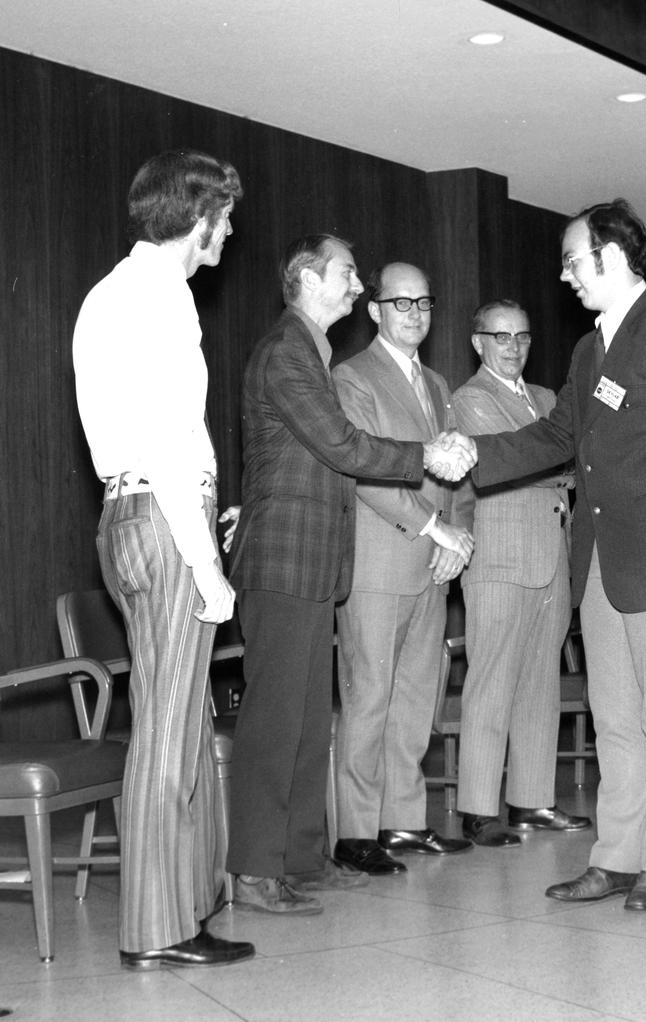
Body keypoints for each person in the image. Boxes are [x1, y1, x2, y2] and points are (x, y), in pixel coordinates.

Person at [462, 199, 646, 910]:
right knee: (614, 711)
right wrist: (473, 452)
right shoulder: (591, 350)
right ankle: (619, 855)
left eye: (573, 260)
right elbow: (558, 437)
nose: (564, 276)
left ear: (612, 259)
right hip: (600, 561)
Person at [225, 236, 473, 914]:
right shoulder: (287, 351)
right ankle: (253, 871)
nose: (358, 287)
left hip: (312, 561)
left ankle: (303, 860)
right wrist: (422, 453)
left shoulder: (312, 351)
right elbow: (340, 445)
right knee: (276, 721)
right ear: (306, 278)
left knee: (308, 721)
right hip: (283, 558)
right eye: (347, 274)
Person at [71, 148, 254, 968]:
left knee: (174, 720)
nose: (230, 231)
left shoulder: (109, 292)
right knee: (169, 729)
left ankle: (182, 910)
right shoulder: (163, 298)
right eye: (225, 217)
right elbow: (169, 443)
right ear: (200, 216)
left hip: (128, 516)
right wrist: (206, 563)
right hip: (164, 514)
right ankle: (157, 929)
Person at [330, 263, 475, 876]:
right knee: (369, 699)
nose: (414, 314)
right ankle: (357, 834)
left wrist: (458, 534)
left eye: (424, 302)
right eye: (401, 303)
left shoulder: (439, 384)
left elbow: (458, 469)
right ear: (375, 310)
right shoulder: (351, 378)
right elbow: (365, 471)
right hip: (379, 563)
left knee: (418, 697)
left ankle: (405, 821)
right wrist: (432, 526)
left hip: (431, 563)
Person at [450, 300, 589, 849]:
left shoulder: (550, 399)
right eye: (501, 337)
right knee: (491, 681)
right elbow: (500, 465)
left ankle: (533, 800)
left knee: (540, 684)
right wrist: (562, 465)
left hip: (552, 554)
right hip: (500, 559)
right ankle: (478, 808)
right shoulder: (468, 401)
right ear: (478, 342)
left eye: (522, 338)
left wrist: (558, 464)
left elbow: (559, 459)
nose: (513, 348)